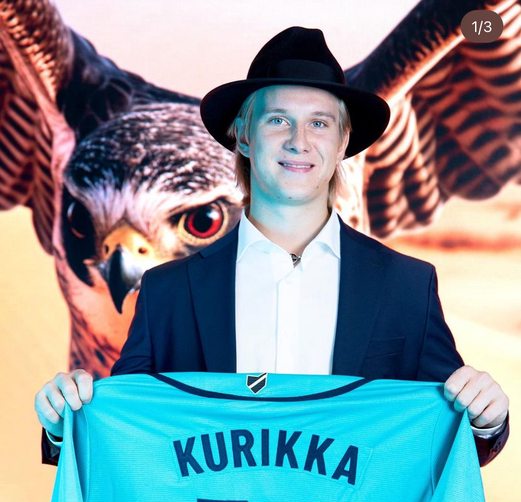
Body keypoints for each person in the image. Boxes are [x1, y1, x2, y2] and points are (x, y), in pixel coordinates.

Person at [35, 26, 509, 466]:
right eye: (278, 120)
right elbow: (123, 443)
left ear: (343, 142)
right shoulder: (168, 292)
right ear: (243, 136)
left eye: (319, 123)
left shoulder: (406, 285)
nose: (298, 142)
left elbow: (447, 443)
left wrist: (484, 420)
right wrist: (65, 426)